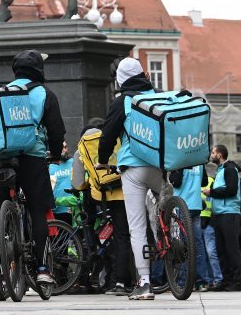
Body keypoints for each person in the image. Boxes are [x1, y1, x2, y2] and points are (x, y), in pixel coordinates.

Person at [0, 50, 66, 298]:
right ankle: (42, 269)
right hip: (32, 156)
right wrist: (53, 153)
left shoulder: (1, 91)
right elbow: (56, 130)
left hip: (4, 157)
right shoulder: (45, 94)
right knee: (37, 211)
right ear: (39, 70)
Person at [97, 57, 161, 300]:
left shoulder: (122, 101)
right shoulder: (157, 96)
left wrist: (103, 159)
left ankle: (144, 282)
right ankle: (173, 234)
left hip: (133, 168)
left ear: (120, 79)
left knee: (137, 228)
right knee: (162, 211)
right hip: (160, 165)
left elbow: (108, 136)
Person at [72, 119, 133, 295]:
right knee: (122, 236)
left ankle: (89, 277)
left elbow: (77, 183)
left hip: (97, 197)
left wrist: (88, 185)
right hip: (122, 192)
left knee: (92, 236)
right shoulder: (117, 139)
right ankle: (121, 281)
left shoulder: (81, 149)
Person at [203, 145, 241, 291]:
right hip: (219, 214)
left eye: (213, 152)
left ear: (220, 155)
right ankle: (226, 281)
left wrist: (212, 192)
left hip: (229, 213)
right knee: (221, 249)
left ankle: (237, 282)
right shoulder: (219, 171)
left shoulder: (230, 170)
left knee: (231, 248)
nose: (211, 155)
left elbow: (232, 190)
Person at [169, 164, 213, 291]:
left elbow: (176, 182)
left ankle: (184, 281)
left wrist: (172, 173)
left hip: (182, 204)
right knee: (197, 243)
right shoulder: (199, 162)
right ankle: (201, 281)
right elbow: (204, 181)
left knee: (183, 245)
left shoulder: (180, 160)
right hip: (196, 205)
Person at [199, 173, 223, 289]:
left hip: (209, 222)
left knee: (210, 252)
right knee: (202, 253)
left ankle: (218, 279)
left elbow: (215, 201)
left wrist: (211, 220)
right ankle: (208, 280)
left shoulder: (211, 181)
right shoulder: (193, 181)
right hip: (196, 221)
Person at [49, 141, 75, 226]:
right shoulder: (49, 166)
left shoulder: (74, 162)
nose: (65, 150)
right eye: (62, 147)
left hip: (73, 209)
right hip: (56, 211)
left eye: (66, 147)